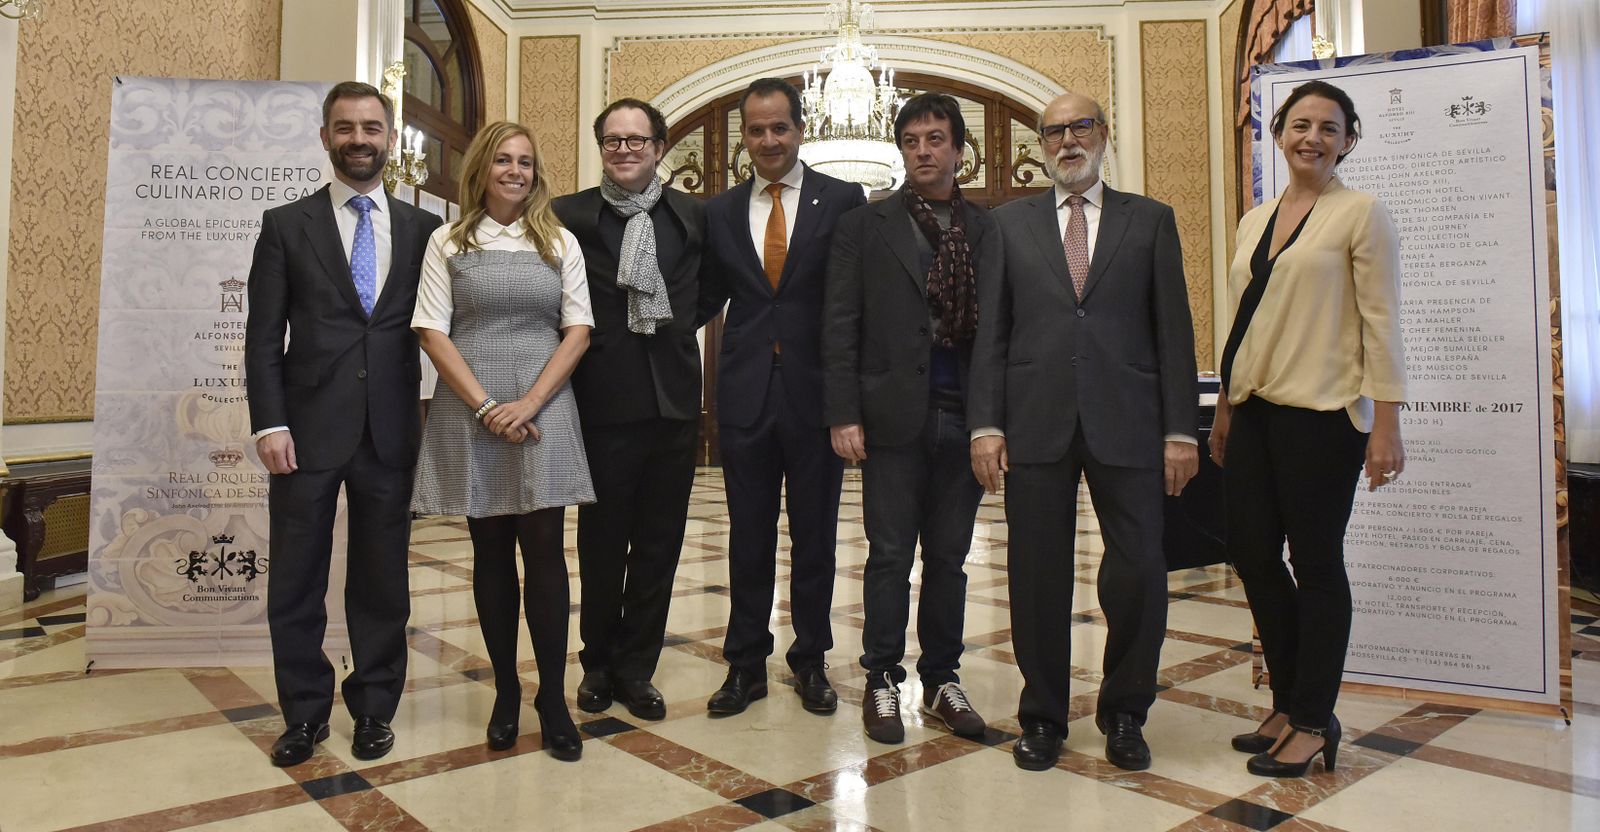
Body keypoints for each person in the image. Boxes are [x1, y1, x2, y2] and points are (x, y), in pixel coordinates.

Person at [969, 91, 1199, 772]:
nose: (1068, 141)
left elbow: (1174, 333)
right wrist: (986, 424)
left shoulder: (1151, 221)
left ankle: (1126, 711)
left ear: (1104, 134)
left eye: (1081, 127)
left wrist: (1181, 431)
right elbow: (993, 333)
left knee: (1139, 574)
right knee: (1036, 574)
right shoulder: (1007, 225)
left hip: (1130, 420)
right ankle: (1042, 715)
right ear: (1042, 145)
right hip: (1034, 421)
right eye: (1054, 132)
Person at [1211, 79, 1405, 778]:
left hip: (1325, 417)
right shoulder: (1254, 219)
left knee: (1316, 563)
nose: (1312, 138)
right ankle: (1291, 702)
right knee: (1253, 555)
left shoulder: (1360, 214)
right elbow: (1243, 320)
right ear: (1279, 134)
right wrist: (1227, 405)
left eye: (1329, 127)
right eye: (1300, 124)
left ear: (1348, 140)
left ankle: (1314, 720)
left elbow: (1382, 322)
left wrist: (1386, 424)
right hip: (1256, 410)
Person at [245, 81, 442, 767]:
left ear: (390, 138)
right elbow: (263, 336)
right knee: (297, 576)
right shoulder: (285, 225)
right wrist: (269, 423)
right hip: (304, 430)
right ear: (325, 136)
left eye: (371, 128)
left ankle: (374, 708)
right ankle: (303, 715)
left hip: (391, 429)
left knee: (383, 578)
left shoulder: (424, 232)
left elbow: (439, 330)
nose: (359, 139)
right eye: (345, 127)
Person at [410, 121, 594, 761]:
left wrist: (529, 403)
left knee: (545, 550)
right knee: (489, 550)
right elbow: (433, 332)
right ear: (483, 169)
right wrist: (490, 407)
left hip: (545, 405)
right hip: (472, 408)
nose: (515, 171)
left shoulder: (559, 241)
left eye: (525, 161)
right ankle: (508, 692)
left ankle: (552, 698)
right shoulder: (448, 242)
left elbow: (577, 331)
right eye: (503, 161)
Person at [822, 93, 997, 743]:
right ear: (902, 150)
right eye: (913, 140)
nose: (924, 150)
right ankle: (881, 680)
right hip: (890, 419)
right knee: (890, 556)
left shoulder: (985, 230)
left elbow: (997, 333)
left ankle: (942, 679)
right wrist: (843, 413)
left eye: (936, 138)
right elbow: (839, 325)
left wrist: (992, 423)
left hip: (962, 419)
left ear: (957, 148)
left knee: (949, 559)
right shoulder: (866, 226)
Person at [701, 78, 867, 716]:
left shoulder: (842, 199)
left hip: (817, 397)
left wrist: (851, 403)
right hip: (743, 397)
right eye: (755, 130)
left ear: (800, 130)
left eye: (779, 128)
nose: (768, 140)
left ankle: (811, 660)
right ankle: (745, 664)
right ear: (744, 136)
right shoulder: (719, 211)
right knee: (747, 536)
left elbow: (851, 305)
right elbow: (703, 297)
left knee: (817, 536)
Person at [553, 99, 713, 722]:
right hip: (600, 402)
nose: (625, 150)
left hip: (674, 404)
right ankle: (596, 663)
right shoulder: (567, 217)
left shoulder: (691, 218)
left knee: (658, 545)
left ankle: (637, 667)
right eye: (613, 141)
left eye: (637, 141)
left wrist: (672, 332)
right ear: (602, 149)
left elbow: (712, 287)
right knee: (600, 542)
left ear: (658, 147)